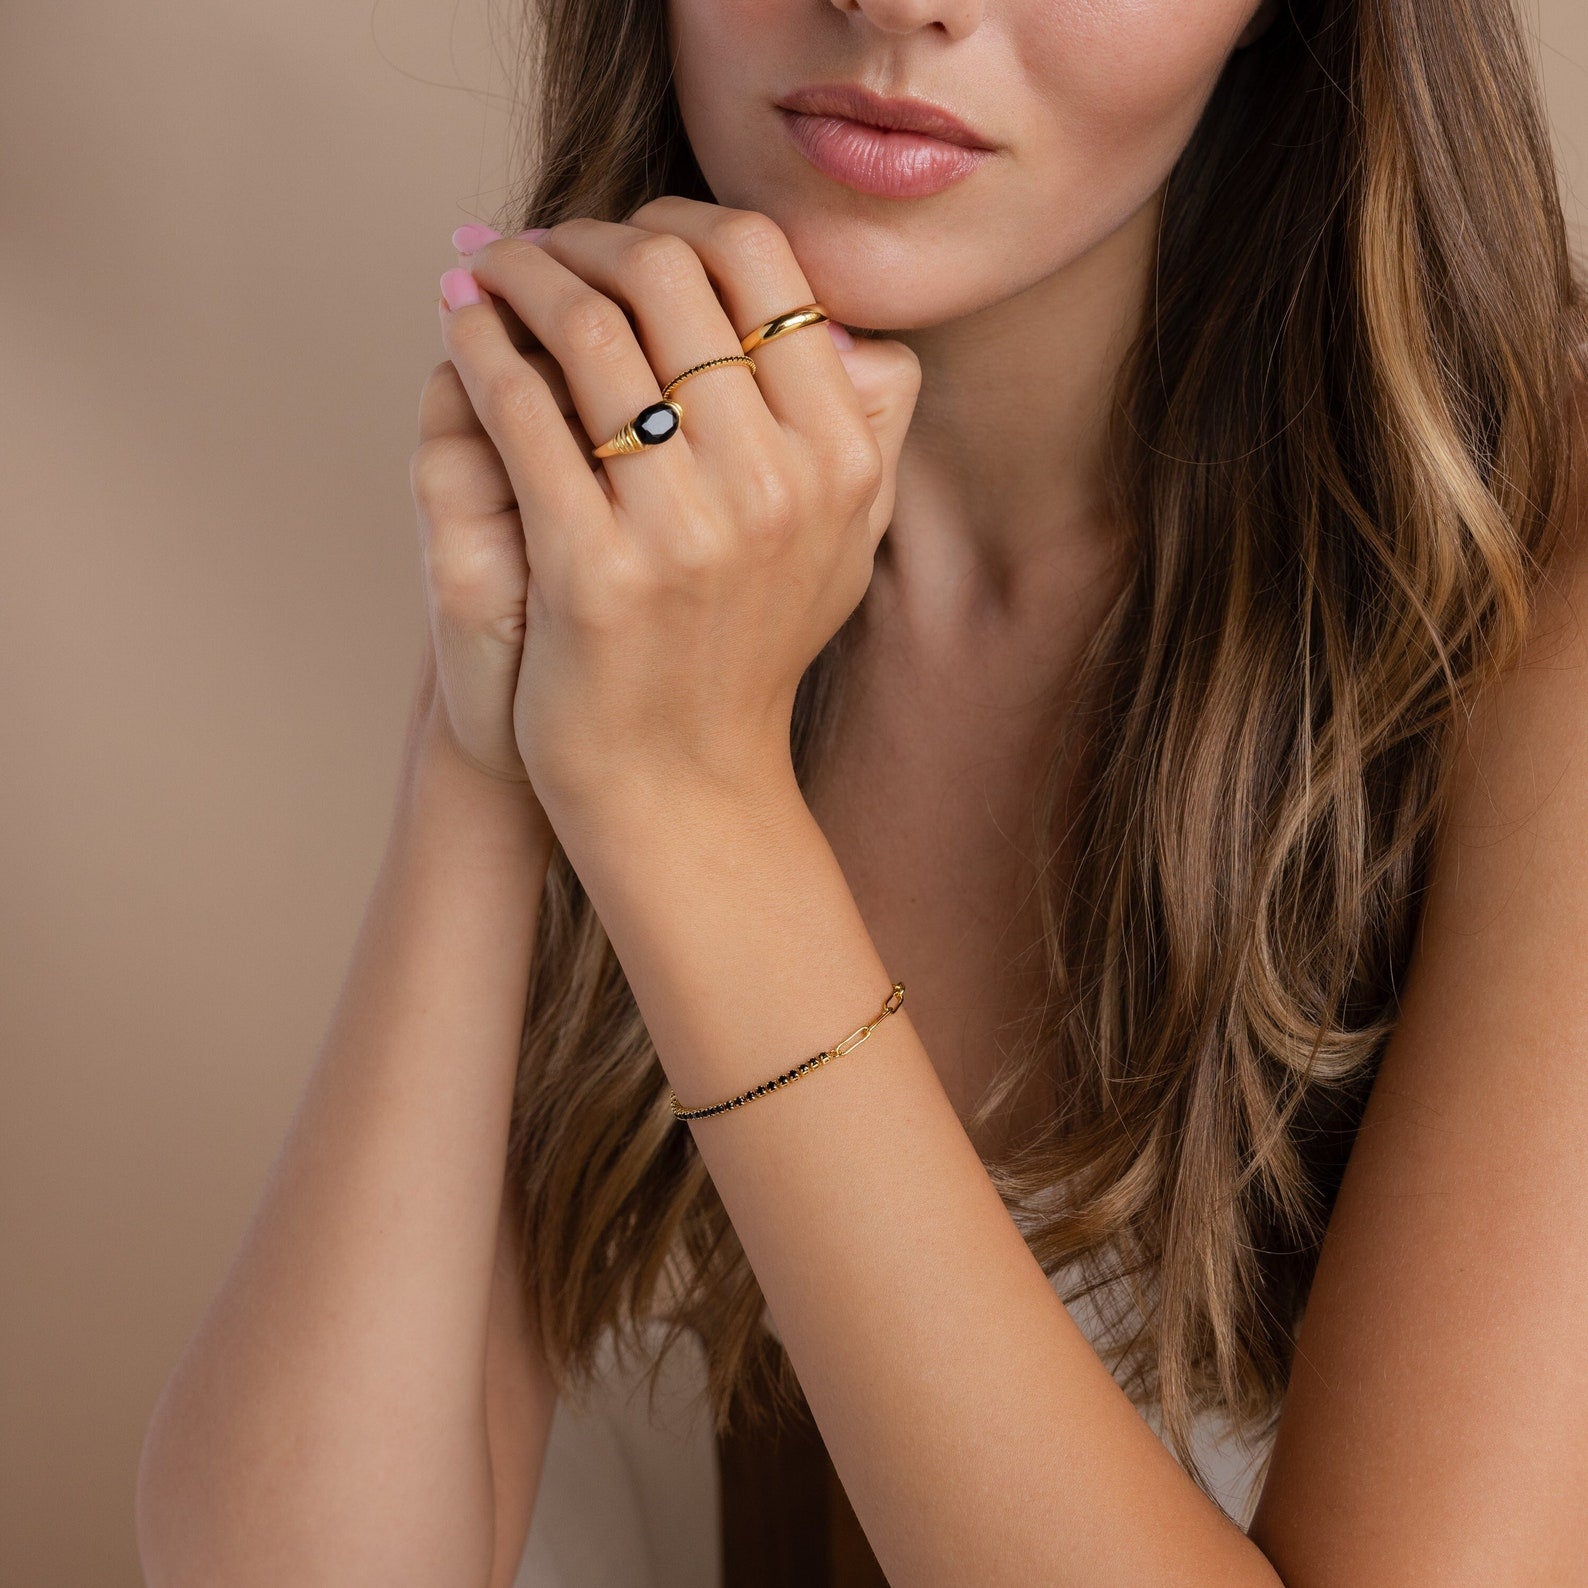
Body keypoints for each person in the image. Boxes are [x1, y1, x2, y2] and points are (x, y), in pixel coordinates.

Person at [135, 0, 1588, 1582]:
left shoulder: (1538, 575)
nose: (901, 1)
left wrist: (685, 802)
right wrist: (499, 733)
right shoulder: (680, 548)